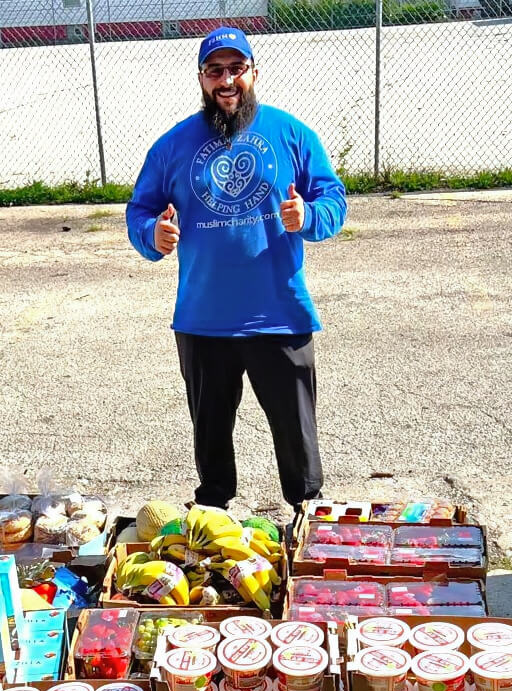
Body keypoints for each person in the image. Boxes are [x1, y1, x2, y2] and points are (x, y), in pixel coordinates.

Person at [126, 27, 347, 512]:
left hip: (280, 315)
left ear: (253, 73)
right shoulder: (172, 147)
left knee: (298, 443)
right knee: (211, 446)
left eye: (236, 69)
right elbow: (139, 211)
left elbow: (333, 199)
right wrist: (153, 237)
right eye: (215, 71)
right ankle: (213, 527)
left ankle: (307, 520)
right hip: (204, 320)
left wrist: (307, 217)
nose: (227, 81)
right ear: (202, 79)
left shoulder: (291, 134)